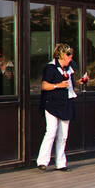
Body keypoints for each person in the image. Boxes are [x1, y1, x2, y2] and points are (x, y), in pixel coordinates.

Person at [36, 43, 77, 172]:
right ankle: (42, 161)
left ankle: (61, 163)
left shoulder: (70, 68)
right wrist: (58, 85)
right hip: (52, 103)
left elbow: (71, 84)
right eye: (69, 55)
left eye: (71, 54)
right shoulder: (51, 68)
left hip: (66, 102)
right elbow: (44, 86)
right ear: (62, 55)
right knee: (51, 131)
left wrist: (81, 82)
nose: (71, 57)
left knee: (63, 135)